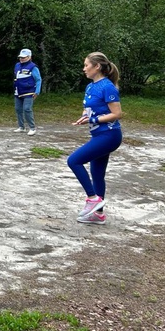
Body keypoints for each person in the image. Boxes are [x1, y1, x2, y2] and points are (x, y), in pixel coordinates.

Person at [67, 52, 124, 225]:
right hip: (99, 134)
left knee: (74, 161)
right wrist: (85, 116)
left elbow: (117, 114)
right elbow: (89, 108)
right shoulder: (91, 86)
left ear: (96, 67)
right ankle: (98, 215)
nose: (84, 69)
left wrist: (93, 119)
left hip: (110, 135)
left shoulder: (107, 87)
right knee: (97, 174)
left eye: (86, 65)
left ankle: (93, 199)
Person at [13, 48, 41, 135]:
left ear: (29, 57)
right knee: (18, 109)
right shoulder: (17, 65)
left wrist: (37, 92)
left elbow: (38, 80)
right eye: (20, 57)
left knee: (27, 109)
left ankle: (32, 128)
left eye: (24, 57)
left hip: (29, 92)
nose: (21, 59)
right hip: (18, 91)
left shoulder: (33, 67)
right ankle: (21, 127)